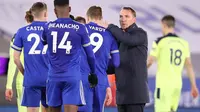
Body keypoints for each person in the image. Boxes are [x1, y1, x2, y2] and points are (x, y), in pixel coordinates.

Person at [41, 0, 97, 112]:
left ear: (55, 11)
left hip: (53, 77)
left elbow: (43, 43)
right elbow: (90, 55)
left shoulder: (48, 27)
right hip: (72, 77)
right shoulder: (80, 28)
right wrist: (93, 72)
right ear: (69, 9)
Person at [99, 7, 149, 112]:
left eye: (127, 16)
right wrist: (98, 66)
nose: (123, 19)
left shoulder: (140, 34)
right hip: (122, 95)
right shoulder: (120, 39)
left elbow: (127, 39)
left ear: (134, 19)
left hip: (135, 95)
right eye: (121, 16)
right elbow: (115, 65)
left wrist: (110, 26)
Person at [147, 15, 199, 112]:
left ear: (164, 25)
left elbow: (150, 61)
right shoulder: (184, 43)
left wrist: (139, 73)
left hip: (163, 85)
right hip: (177, 85)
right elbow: (189, 65)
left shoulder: (159, 42)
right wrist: (194, 85)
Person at [78, 6, 120, 112]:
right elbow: (116, 62)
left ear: (87, 18)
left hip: (82, 78)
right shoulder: (109, 34)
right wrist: (103, 63)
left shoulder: (80, 30)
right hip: (101, 79)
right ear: (101, 18)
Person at [12, 2, 49, 112]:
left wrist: (25, 73)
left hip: (31, 78)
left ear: (32, 14)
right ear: (45, 13)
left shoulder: (22, 31)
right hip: (50, 78)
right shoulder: (52, 29)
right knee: (49, 109)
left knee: (32, 110)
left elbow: (15, 58)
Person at [5, 10, 33, 112]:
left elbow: (13, 62)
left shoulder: (18, 35)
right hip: (41, 80)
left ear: (26, 19)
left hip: (22, 80)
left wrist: (8, 85)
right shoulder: (44, 35)